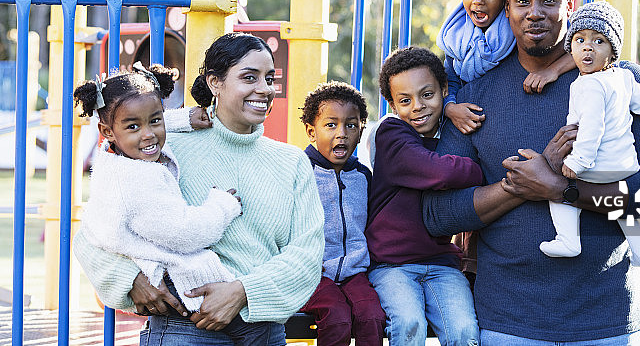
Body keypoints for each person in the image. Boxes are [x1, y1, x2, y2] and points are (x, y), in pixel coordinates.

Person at [422, 0, 640, 345]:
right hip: (507, 324)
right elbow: (438, 213)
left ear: (569, 8)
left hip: (607, 321)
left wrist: (560, 189)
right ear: (506, 7)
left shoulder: (620, 80)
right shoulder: (476, 95)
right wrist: (517, 186)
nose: (535, 13)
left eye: (549, 1)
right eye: (523, 2)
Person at [74, 33, 324, 346]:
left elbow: (307, 253)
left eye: (269, 78)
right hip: (183, 326)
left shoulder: (291, 162)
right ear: (215, 82)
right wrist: (129, 280)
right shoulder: (161, 150)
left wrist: (242, 292)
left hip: (261, 329)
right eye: (250, 77)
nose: (265, 89)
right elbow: (93, 232)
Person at [540, 0, 640, 268]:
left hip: (595, 166)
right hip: (625, 168)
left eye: (599, 41)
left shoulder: (589, 85)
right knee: (623, 210)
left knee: (555, 190)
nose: (587, 47)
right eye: (580, 40)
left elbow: (592, 128)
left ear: (613, 51)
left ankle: (568, 240)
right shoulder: (625, 78)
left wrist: (577, 162)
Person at [366, 46, 483, 346]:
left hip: (441, 263)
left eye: (427, 95)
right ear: (392, 105)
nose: (417, 107)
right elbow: (437, 172)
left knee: (464, 332)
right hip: (393, 265)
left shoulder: (452, 136)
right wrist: (476, 169)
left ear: (444, 90)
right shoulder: (392, 133)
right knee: (408, 324)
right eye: (405, 101)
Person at [437, 0, 576, 135]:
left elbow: (585, 45)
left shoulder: (518, 31)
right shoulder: (455, 36)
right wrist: (449, 108)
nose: (478, 0)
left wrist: (553, 70)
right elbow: (448, 80)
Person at [299, 81, 385, 346]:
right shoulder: (300, 173)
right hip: (312, 273)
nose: (342, 133)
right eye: (331, 125)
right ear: (312, 131)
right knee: (337, 319)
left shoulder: (363, 177)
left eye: (351, 125)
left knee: (372, 317)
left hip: (354, 273)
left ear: (361, 131)